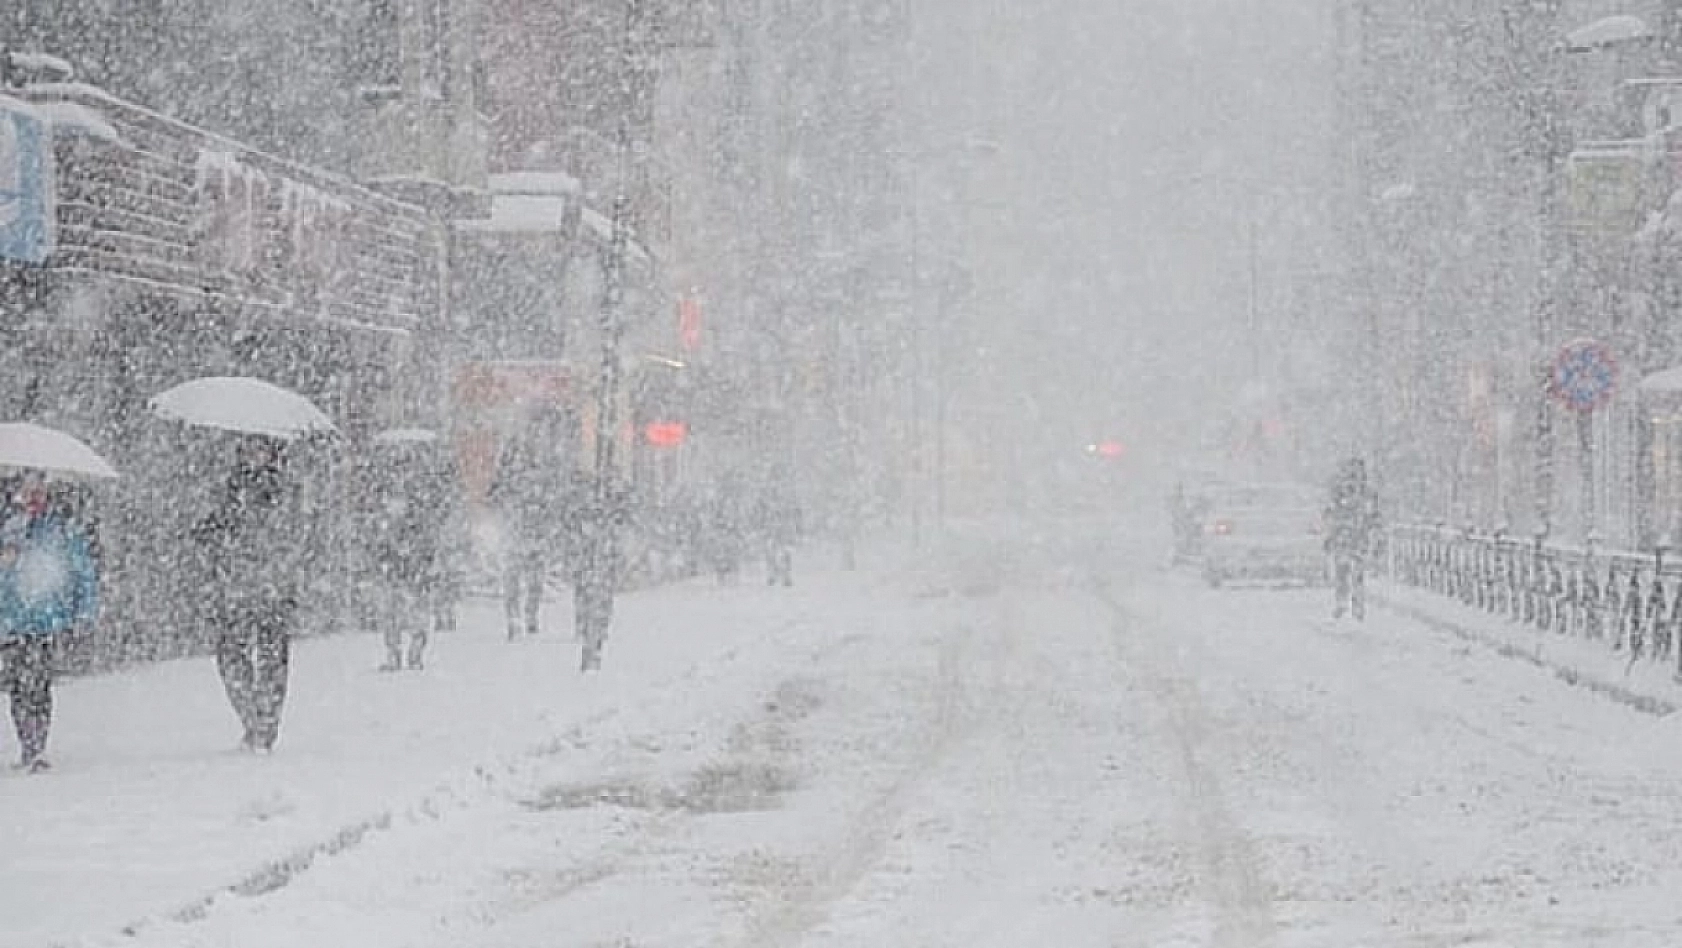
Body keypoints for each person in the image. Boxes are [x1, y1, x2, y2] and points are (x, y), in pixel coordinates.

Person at [193, 438, 306, 753]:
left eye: (260, 448)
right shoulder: (228, 489)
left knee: (272, 658)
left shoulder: (285, 490)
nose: (254, 455)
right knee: (230, 656)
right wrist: (212, 531)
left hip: (272, 587)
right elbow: (210, 529)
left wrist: (277, 560)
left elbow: (295, 534)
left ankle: (266, 724)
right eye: (248, 448)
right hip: (234, 586)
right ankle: (252, 718)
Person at [0, 471, 99, 772]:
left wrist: (84, 612)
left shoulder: (62, 530)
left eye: (38, 492)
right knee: (17, 685)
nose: (33, 499)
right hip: (11, 619)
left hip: (46, 620)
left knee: (39, 684)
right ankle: (27, 746)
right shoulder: (9, 529)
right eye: (28, 492)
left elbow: (83, 573)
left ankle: (37, 747)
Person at [1324, 456, 1380, 621]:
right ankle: (1347, 603)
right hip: (1348, 537)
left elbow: (1374, 515)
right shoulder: (1342, 491)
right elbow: (1331, 513)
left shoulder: (1365, 493)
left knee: (1355, 572)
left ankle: (1354, 604)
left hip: (1356, 537)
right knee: (1346, 571)